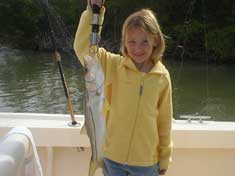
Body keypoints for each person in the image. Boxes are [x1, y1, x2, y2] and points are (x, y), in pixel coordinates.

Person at [73, 0, 173, 175]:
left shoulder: (162, 77)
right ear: (124, 42)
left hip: (147, 163)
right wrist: (93, 12)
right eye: (131, 41)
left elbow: (164, 122)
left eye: (144, 42)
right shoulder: (113, 65)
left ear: (156, 41)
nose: (137, 48)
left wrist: (164, 157)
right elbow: (82, 49)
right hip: (112, 159)